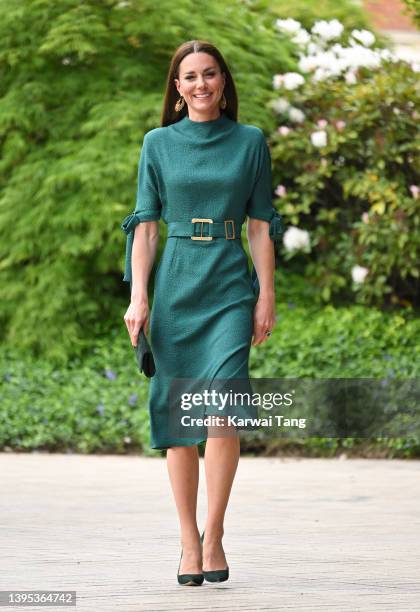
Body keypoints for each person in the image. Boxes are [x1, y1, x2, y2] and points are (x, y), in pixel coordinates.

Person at [122, 39, 282, 585]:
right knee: (179, 415)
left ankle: (215, 534)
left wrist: (266, 294)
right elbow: (145, 226)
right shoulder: (157, 144)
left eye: (209, 74)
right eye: (189, 76)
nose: (200, 84)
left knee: (223, 406)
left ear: (222, 80)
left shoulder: (251, 142)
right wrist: (139, 296)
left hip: (230, 285)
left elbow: (260, 225)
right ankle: (188, 541)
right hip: (175, 285)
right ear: (177, 87)